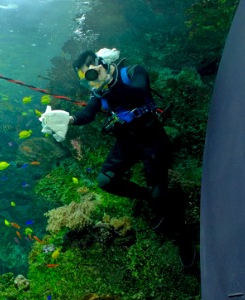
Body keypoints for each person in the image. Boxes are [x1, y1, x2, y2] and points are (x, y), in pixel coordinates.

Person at [41, 48, 196, 268]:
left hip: (151, 137)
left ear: (101, 64)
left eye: (91, 75)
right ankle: (151, 199)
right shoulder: (99, 92)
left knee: (160, 191)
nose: (91, 83)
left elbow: (140, 92)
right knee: (106, 180)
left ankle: (183, 236)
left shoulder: (132, 72)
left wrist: (110, 83)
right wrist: (68, 120)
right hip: (126, 142)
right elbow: (87, 115)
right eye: (86, 80)